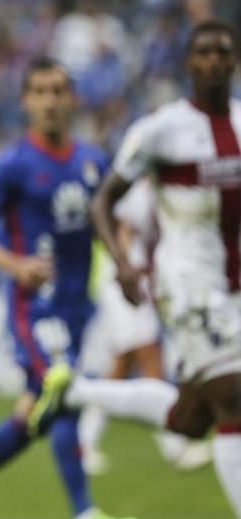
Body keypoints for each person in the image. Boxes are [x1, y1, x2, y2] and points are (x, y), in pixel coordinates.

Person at [0, 57, 145, 519]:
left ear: (72, 99)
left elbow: (109, 221)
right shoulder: (11, 164)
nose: (50, 100)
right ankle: (85, 518)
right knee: (63, 389)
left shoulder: (91, 161)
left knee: (36, 416)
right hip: (35, 306)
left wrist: (123, 259)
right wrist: (15, 265)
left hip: (76, 304)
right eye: (41, 91)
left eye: (59, 90)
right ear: (26, 100)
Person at [87, 19, 241, 519]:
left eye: (223, 52)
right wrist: (125, 264)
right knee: (233, 399)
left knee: (189, 419)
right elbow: (103, 202)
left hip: (235, 285)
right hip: (187, 283)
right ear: (189, 64)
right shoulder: (161, 129)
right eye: (205, 53)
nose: (215, 61)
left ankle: (74, 394)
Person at [79, 180, 211, 475]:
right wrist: (124, 268)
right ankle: (174, 443)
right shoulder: (139, 191)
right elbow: (122, 229)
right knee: (150, 355)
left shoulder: (164, 188)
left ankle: (83, 439)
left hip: (136, 279)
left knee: (123, 363)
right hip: (123, 279)